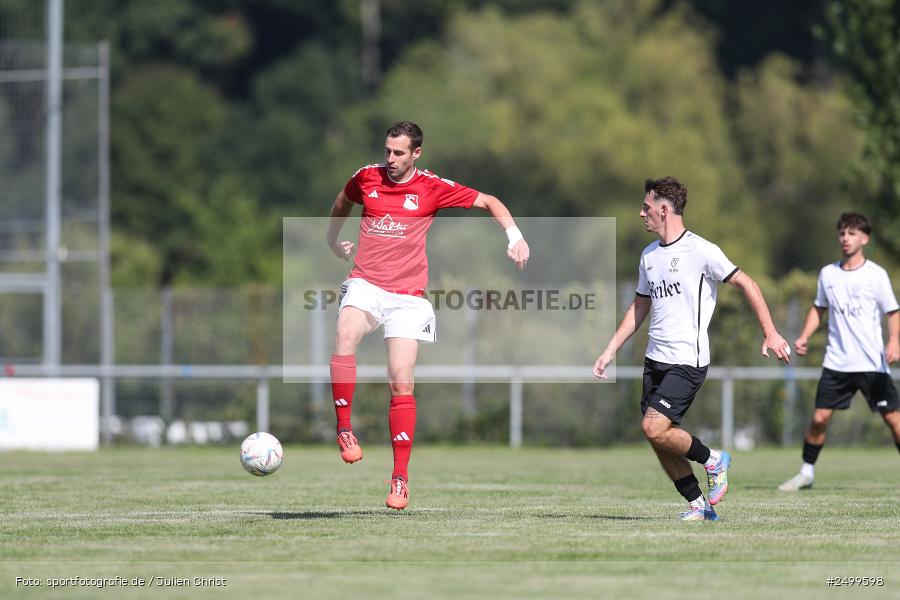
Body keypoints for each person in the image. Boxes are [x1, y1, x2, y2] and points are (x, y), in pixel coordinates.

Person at [326, 121, 530, 510]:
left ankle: (400, 478)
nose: (390, 159)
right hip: (367, 282)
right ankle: (345, 430)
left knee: (401, 382)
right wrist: (333, 242)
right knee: (345, 332)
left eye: (399, 153)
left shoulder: (431, 188)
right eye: (387, 150)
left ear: (416, 153)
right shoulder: (366, 178)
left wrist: (515, 237)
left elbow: (490, 201)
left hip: (408, 296)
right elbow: (341, 202)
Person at [593, 177, 791, 521]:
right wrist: (610, 349)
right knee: (660, 437)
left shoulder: (702, 250)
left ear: (664, 209)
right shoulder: (649, 256)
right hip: (655, 360)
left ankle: (714, 459)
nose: (641, 213)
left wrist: (770, 333)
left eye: (646, 207)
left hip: (688, 361)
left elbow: (747, 283)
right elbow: (639, 307)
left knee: (652, 428)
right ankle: (699, 507)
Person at [779, 213, 900, 491]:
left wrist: (894, 341)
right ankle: (806, 473)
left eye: (852, 233)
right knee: (820, 418)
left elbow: (893, 312)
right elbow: (818, 308)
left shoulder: (876, 275)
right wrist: (805, 335)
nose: (846, 238)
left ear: (864, 238)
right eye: (842, 233)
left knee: (894, 419)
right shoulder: (828, 274)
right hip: (837, 362)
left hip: (872, 363)